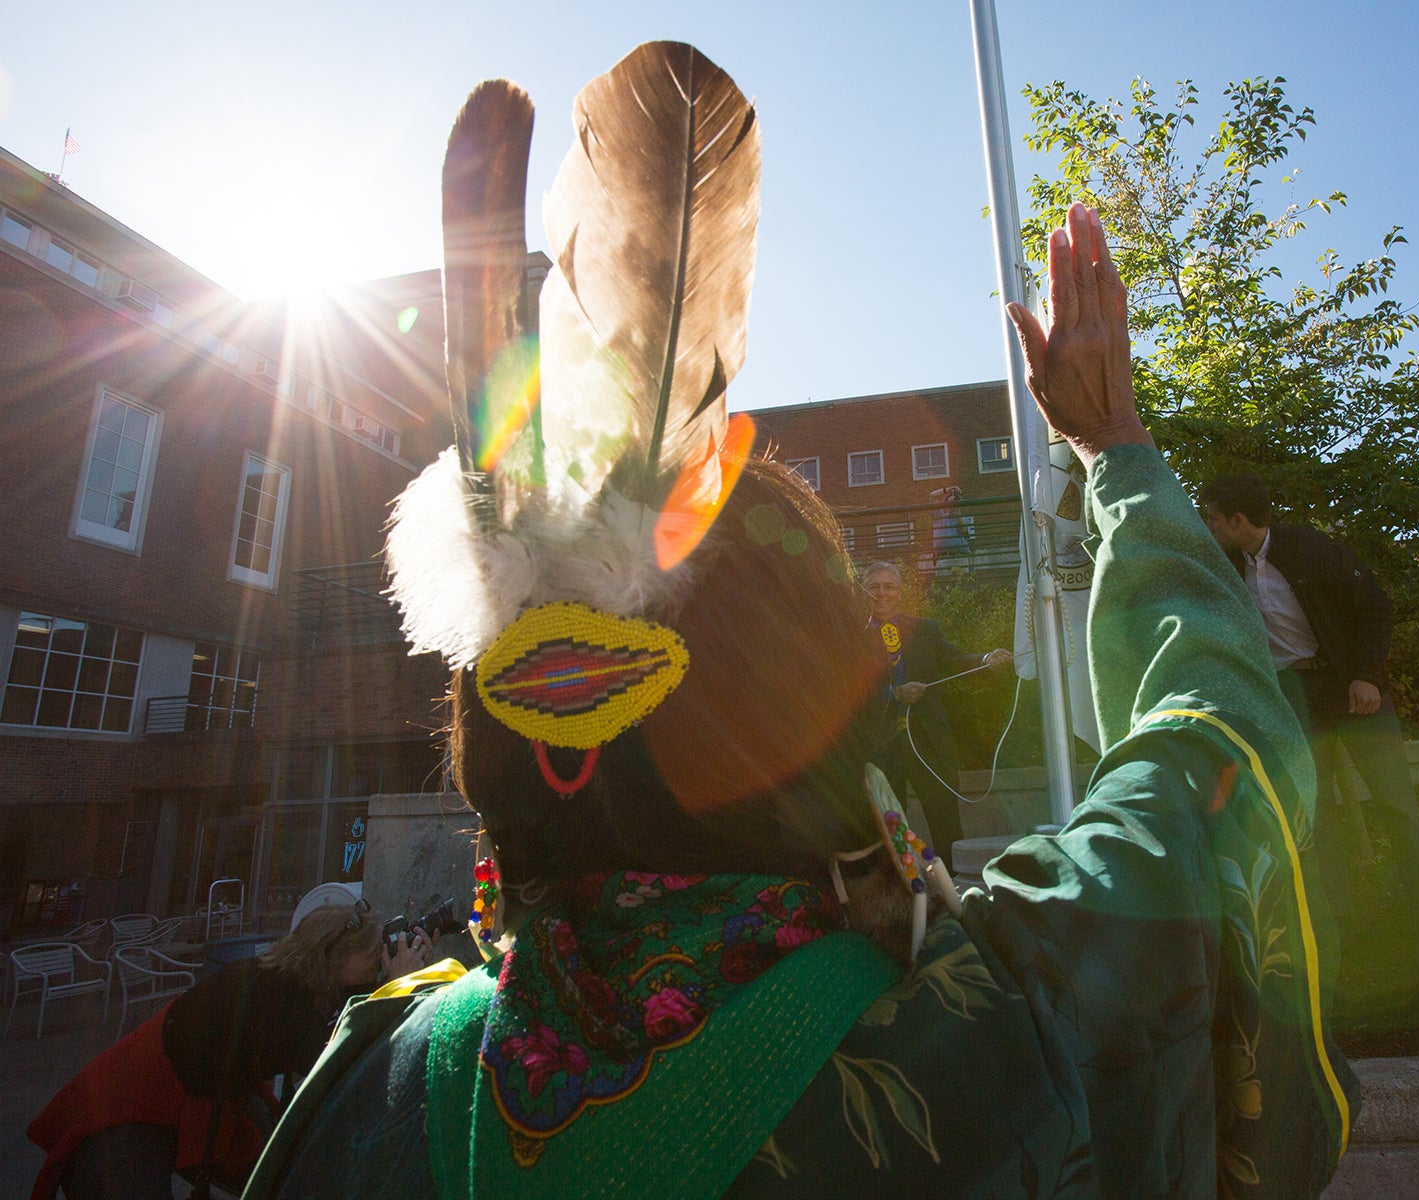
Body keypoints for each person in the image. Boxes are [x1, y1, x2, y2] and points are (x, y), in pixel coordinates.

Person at [243, 51, 1352, 1200]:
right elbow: (1215, 743)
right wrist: (1116, 456)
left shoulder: (367, 1086)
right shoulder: (1007, 1025)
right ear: (820, 715)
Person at [1200, 474, 1419, 977]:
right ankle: (1339, 929)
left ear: (1237, 521)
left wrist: (1366, 675)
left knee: (1396, 804)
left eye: (1213, 519)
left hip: (1350, 691)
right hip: (1294, 701)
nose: (1207, 528)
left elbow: (1376, 606)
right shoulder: (1228, 565)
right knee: (1316, 815)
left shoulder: (1310, 547)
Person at [28, 903, 429, 1200]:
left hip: (183, 1095)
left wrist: (394, 982)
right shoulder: (278, 998)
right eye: (372, 955)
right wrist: (399, 986)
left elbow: (344, 1019)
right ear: (333, 956)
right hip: (125, 1110)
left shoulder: (288, 980)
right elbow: (341, 1068)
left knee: (276, 1175)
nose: (379, 963)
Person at [862, 559, 1010, 850]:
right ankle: (896, 887)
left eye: (889, 586)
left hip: (928, 739)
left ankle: (955, 884)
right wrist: (895, 693)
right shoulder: (852, 636)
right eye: (874, 587)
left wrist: (985, 660)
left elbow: (955, 660)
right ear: (864, 592)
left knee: (944, 816)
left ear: (900, 591)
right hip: (880, 744)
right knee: (886, 824)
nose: (882, 593)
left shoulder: (925, 629)